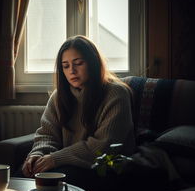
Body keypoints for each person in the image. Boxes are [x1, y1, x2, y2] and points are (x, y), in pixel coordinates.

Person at [22, 35, 136, 181]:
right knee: (22, 176)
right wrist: (37, 154)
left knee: (56, 180)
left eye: (79, 63)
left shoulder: (116, 93)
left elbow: (103, 146)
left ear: (93, 63)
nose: (72, 71)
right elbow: (47, 134)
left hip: (105, 166)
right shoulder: (59, 96)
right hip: (68, 164)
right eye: (65, 66)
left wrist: (55, 159)